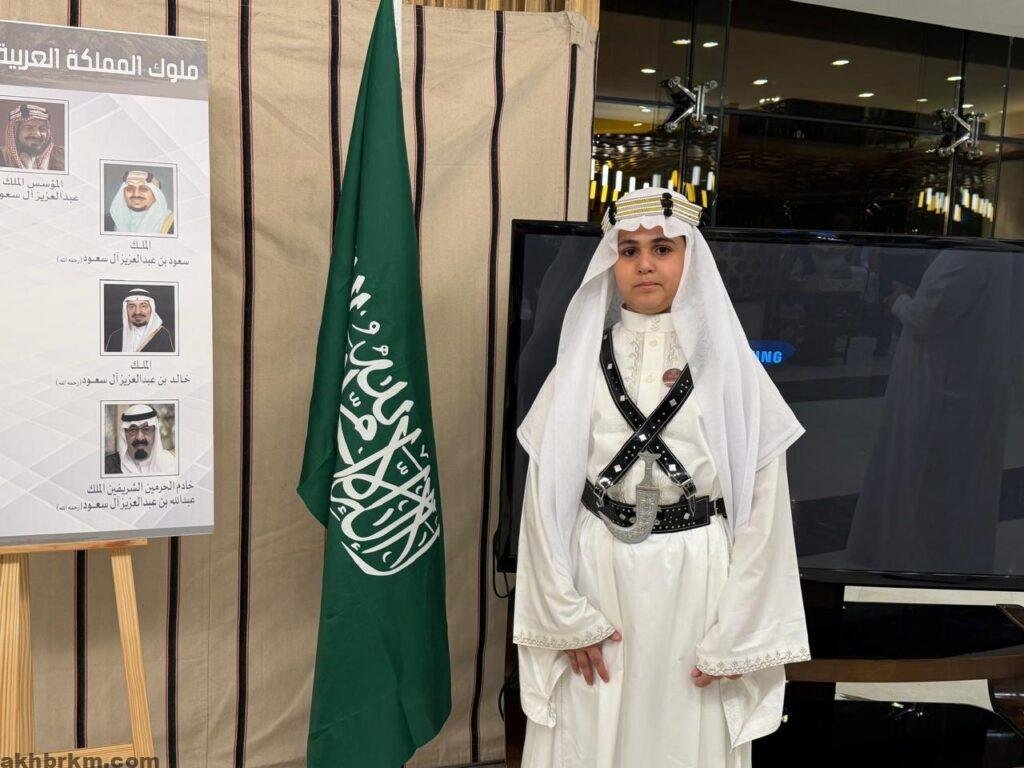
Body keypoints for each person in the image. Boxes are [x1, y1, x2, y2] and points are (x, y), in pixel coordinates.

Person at [513, 187, 810, 767]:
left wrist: (737, 632)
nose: (644, 263)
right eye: (629, 250)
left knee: (683, 731)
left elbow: (765, 507)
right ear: (611, 263)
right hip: (597, 578)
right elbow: (543, 500)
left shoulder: (732, 368)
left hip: (698, 584)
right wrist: (566, 616)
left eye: (662, 248)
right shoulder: (578, 364)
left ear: (690, 258)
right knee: (590, 726)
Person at [104, 404, 177, 475]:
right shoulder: (106, 466)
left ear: (155, 432)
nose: (139, 437)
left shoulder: (171, 464)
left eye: (146, 429)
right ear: (124, 434)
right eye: (133, 430)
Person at [104, 169, 175, 234]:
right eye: (129, 189)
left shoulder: (172, 223)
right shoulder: (108, 221)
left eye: (144, 189)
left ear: (156, 195)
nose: (136, 194)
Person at [105, 287, 175, 353]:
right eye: (132, 306)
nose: (137, 312)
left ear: (151, 309)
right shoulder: (115, 337)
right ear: (125, 310)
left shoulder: (163, 335)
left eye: (143, 306)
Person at [1, 103, 65, 171]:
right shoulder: (2, 156)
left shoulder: (62, 155)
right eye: (29, 128)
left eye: (42, 129)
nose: (37, 135)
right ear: (15, 131)